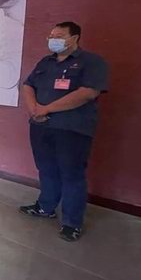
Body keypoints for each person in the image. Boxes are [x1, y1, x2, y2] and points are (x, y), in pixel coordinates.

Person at [20, 22, 108, 242]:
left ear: (74, 38)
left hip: (71, 129)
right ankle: (45, 207)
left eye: (59, 36)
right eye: (51, 35)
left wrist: (47, 109)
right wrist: (34, 110)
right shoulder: (46, 62)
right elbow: (28, 85)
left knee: (72, 175)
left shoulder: (91, 62)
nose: (52, 39)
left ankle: (71, 223)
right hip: (40, 126)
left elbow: (88, 93)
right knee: (46, 169)